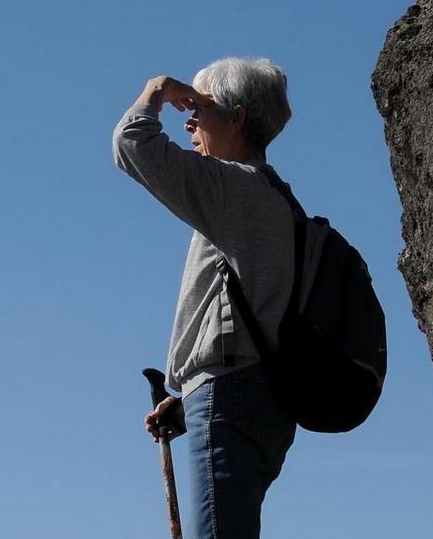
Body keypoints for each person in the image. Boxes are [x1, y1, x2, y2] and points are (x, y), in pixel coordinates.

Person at [112, 57, 298, 539]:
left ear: (236, 118)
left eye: (199, 107)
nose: (189, 121)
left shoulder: (235, 188)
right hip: (263, 395)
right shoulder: (280, 199)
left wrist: (154, 91)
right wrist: (191, 400)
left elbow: (132, 145)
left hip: (229, 393)